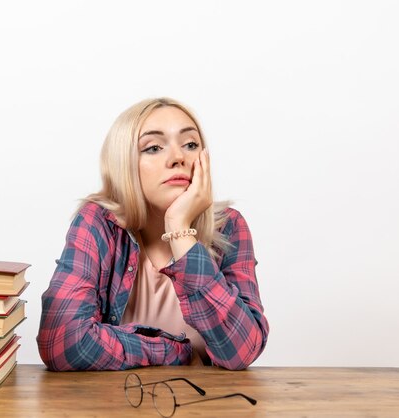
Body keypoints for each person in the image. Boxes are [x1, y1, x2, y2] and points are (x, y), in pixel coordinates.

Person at [37, 97, 269, 371]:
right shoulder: (98, 222)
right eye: (154, 147)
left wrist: (180, 229)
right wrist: (180, 352)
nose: (178, 158)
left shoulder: (228, 227)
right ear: (124, 164)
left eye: (191, 145)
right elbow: (64, 342)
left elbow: (241, 350)